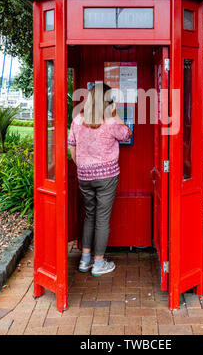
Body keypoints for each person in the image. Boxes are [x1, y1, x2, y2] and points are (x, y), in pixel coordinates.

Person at [68, 82, 132, 276]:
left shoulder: (78, 120)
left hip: (84, 175)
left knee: (90, 215)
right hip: (106, 177)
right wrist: (114, 113)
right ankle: (98, 263)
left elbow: (72, 146)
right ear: (107, 101)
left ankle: (84, 260)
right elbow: (128, 133)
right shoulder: (110, 121)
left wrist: (81, 165)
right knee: (102, 219)